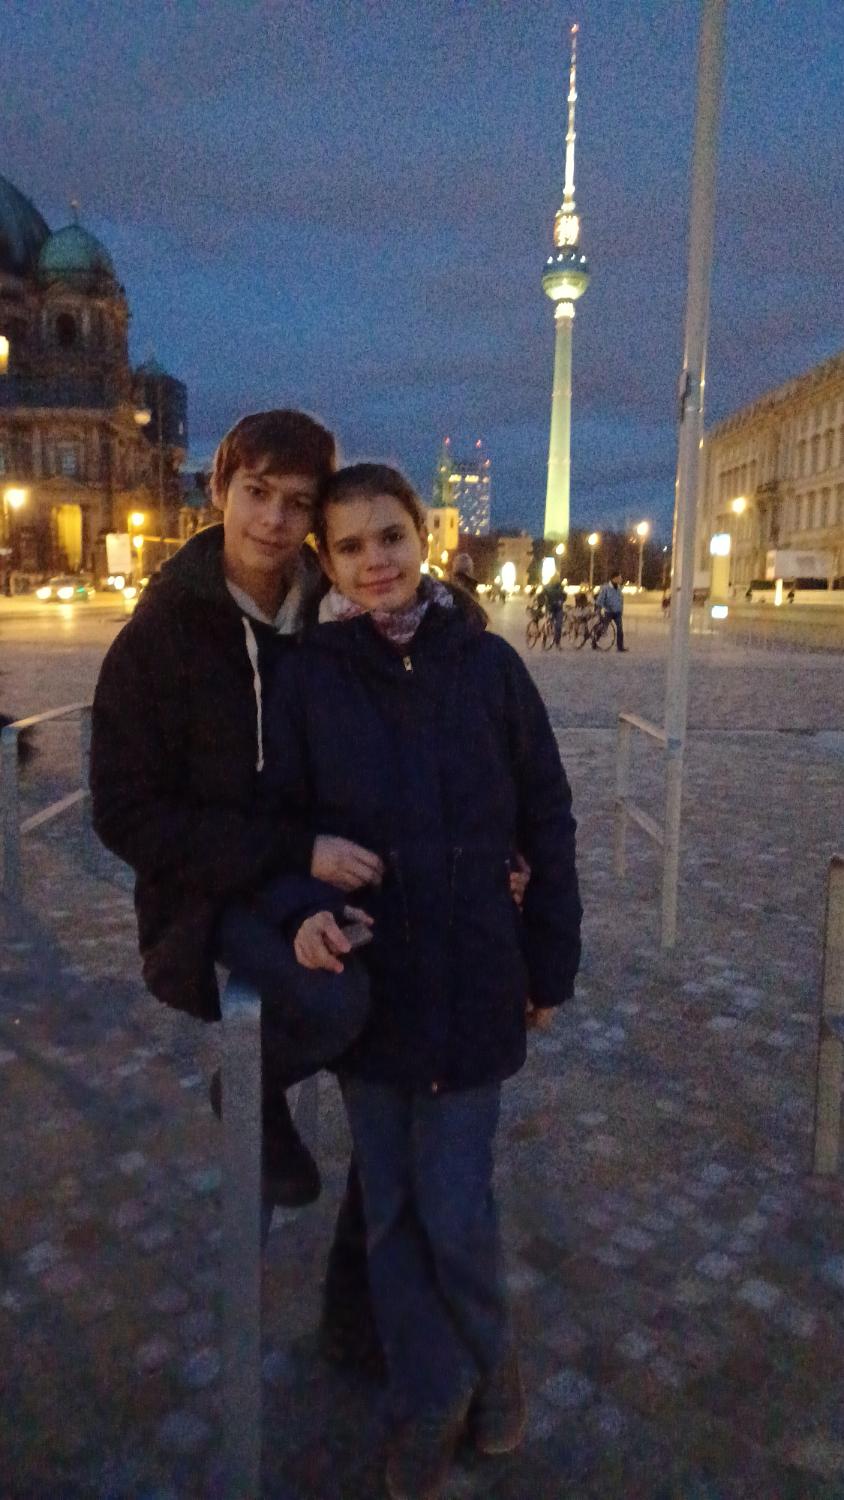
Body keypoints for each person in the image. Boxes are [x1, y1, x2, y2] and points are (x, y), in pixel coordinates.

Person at [253, 463, 582, 1500]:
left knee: (454, 1211)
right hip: (375, 987)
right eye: (350, 547)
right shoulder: (309, 677)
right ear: (327, 561)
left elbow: (548, 817)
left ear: (423, 535)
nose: (375, 561)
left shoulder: (488, 667)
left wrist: (550, 963)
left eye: (390, 536)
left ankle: (493, 1362)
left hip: (476, 979)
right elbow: (279, 824)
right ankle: (426, 1401)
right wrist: (303, 898)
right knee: (392, 1213)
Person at [89, 409, 382, 1357]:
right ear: (219, 487)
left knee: (405, 1047)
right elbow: (124, 812)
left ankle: (363, 1304)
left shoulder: (337, 620)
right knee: (337, 1005)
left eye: (298, 503)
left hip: (323, 872)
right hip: (211, 894)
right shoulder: (160, 638)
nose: (273, 520)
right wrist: (291, 855)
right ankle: (245, 1093)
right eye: (256, 492)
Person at [594, 570, 627, 651]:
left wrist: (621, 609)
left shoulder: (619, 588)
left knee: (620, 629)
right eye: (619, 578)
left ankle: (620, 647)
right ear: (614, 578)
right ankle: (594, 642)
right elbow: (601, 599)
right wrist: (599, 608)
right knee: (603, 628)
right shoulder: (606, 588)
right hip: (609, 611)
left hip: (617, 612)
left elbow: (620, 599)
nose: (621, 579)